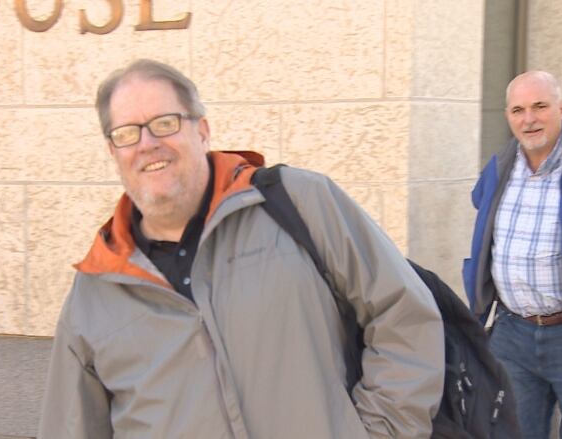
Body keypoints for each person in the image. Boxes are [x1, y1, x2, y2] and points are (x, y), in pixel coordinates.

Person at [37, 59, 444, 439]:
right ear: (113, 151)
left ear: (202, 130)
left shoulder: (300, 203)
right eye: (127, 133)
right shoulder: (95, 291)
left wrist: (379, 432)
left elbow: (404, 315)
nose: (147, 144)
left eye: (165, 122)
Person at [463, 70, 562, 439]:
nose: (529, 119)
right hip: (512, 334)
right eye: (518, 110)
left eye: (540, 107)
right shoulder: (499, 169)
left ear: (561, 107)